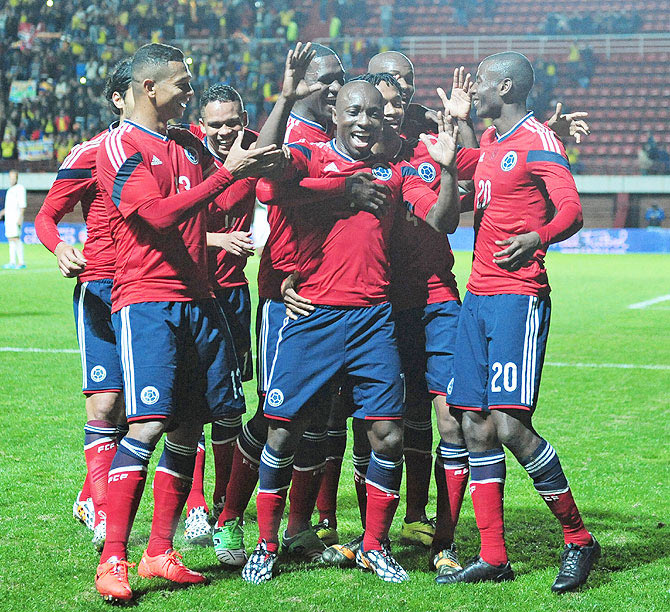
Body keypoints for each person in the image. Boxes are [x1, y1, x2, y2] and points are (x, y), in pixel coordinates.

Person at [243, 55, 461, 585]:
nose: (365, 121)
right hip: (313, 316)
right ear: (335, 115)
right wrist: (288, 98)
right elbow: (260, 165)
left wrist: (451, 168)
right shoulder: (311, 158)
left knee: (386, 435)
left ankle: (373, 545)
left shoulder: (394, 172)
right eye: (354, 112)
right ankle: (266, 544)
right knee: (283, 433)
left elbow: (440, 221)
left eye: (373, 115)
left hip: (373, 321)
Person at [92, 42, 283, 603]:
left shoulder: (182, 144)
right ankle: (113, 559)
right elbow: (156, 216)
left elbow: (248, 156)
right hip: (147, 299)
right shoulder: (119, 146)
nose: (190, 89)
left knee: (188, 428)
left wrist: (287, 99)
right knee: (146, 426)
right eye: (183, 82)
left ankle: (159, 551)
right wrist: (226, 178)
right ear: (150, 88)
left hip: (201, 300)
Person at [437, 51, 600, 593]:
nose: (475, 88)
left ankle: (578, 539)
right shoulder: (489, 142)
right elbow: (464, 168)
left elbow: (571, 209)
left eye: (480, 81)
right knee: (474, 424)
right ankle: (493, 555)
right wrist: (458, 122)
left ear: (504, 86)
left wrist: (539, 237)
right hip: (478, 297)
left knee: (509, 425)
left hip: (518, 297)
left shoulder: (538, 142)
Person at [211, 43, 350, 568]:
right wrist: (344, 191)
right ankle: (229, 519)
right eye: (325, 79)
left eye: (340, 78)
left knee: (315, 417)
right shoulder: (289, 131)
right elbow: (265, 186)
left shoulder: (339, 134)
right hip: (284, 296)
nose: (334, 87)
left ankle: (297, 530)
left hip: (333, 295)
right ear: (302, 80)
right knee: (277, 414)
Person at [35, 60, 134, 552]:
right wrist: (59, 247)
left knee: (160, 411)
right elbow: (48, 215)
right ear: (121, 97)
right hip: (101, 286)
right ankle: (100, 511)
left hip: (155, 288)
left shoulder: (173, 147)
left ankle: (88, 494)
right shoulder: (91, 152)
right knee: (107, 402)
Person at [179, 83, 261, 546]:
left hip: (233, 295)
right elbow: (170, 218)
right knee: (192, 406)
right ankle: (194, 506)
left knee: (230, 409)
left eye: (234, 122)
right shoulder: (186, 152)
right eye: (217, 124)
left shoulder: (255, 154)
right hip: (191, 293)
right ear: (201, 123)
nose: (226, 131)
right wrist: (217, 241)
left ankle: (224, 506)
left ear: (244, 118)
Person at [1, 170, 27, 269]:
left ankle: (21, 262)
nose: (12, 179)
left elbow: (22, 204)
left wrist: (20, 217)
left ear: (16, 178)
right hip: (9, 218)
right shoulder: (10, 190)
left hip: (16, 217)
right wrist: (2, 213)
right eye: (10, 177)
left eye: (13, 177)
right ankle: (12, 262)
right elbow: (9, 206)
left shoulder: (20, 188)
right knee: (10, 239)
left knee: (16, 238)